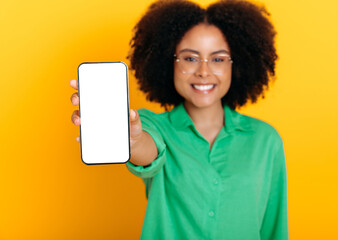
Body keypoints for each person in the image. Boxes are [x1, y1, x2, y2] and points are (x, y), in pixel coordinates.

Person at [70, 0, 288, 239]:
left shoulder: (266, 140)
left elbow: (274, 228)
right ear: (168, 62)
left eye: (218, 59)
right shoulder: (152, 126)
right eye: (190, 58)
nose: (204, 72)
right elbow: (144, 147)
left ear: (237, 64)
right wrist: (129, 139)